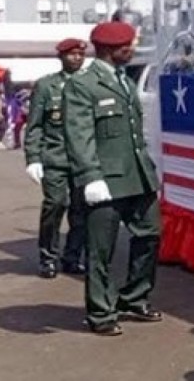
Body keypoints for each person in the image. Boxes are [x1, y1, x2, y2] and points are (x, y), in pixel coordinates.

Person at [64, 21, 163, 336]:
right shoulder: (83, 85)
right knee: (101, 249)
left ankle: (134, 297)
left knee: (150, 234)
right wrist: (90, 176)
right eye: (127, 45)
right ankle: (101, 312)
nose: (132, 50)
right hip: (104, 180)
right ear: (109, 49)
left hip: (137, 175)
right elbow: (79, 136)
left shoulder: (124, 80)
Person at [22, 39, 90, 278]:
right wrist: (33, 158)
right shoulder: (46, 86)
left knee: (82, 210)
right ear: (61, 57)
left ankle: (72, 256)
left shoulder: (90, 84)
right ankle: (48, 257)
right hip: (55, 157)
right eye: (71, 54)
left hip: (83, 159)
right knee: (56, 205)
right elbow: (35, 125)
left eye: (80, 54)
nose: (76, 58)